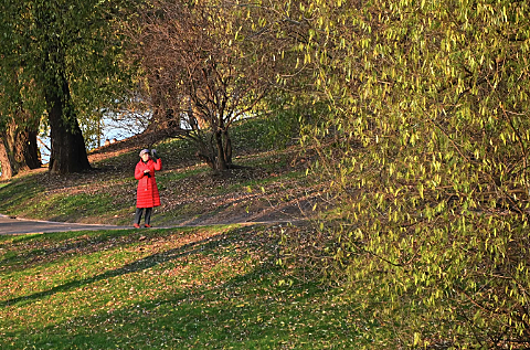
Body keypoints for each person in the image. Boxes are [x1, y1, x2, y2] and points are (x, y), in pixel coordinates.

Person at [134, 149, 162, 228]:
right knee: (140, 206)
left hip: (151, 185)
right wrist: (143, 173)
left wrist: (158, 159)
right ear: (141, 156)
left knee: (149, 206)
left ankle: (147, 223)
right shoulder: (138, 165)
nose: (146, 156)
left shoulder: (151, 162)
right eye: (145, 155)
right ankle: (136, 223)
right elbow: (136, 176)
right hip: (142, 187)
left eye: (147, 154)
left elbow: (158, 167)